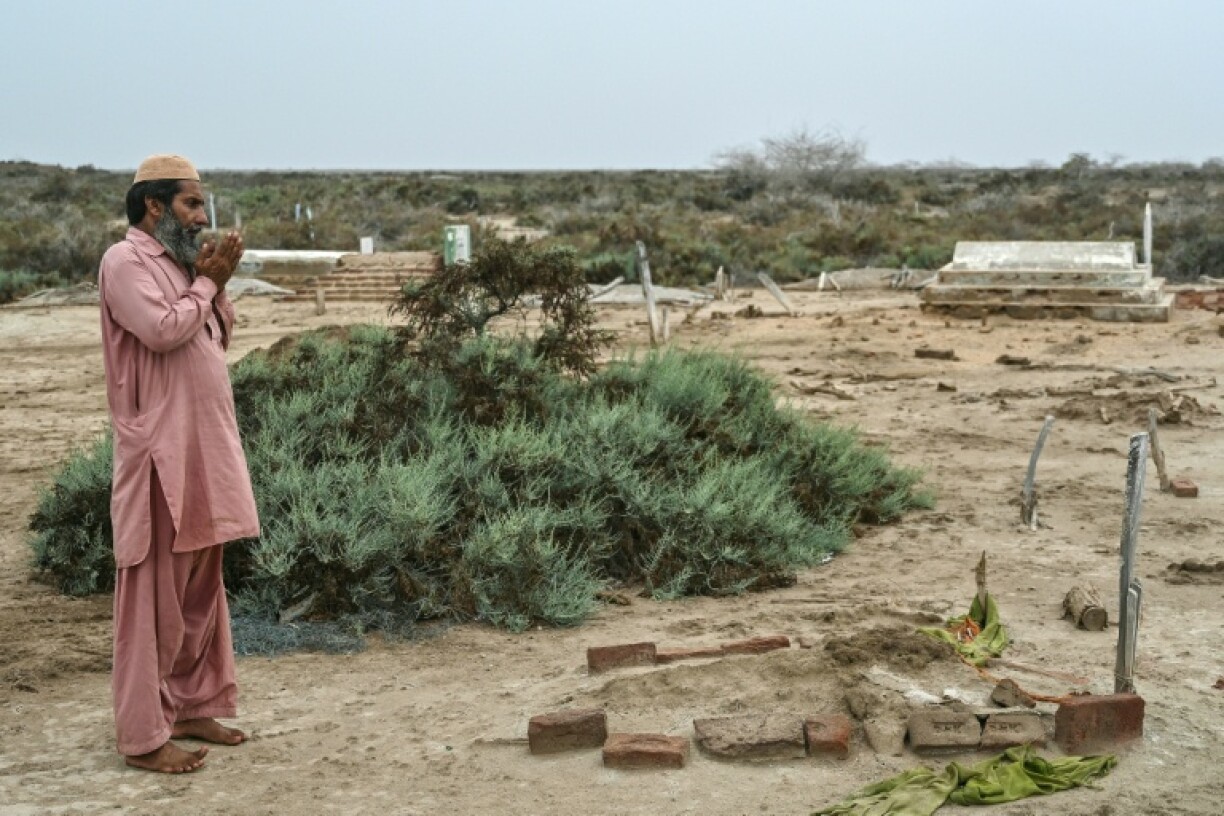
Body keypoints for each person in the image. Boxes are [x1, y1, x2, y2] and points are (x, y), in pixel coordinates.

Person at [97, 154, 260, 773]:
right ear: (155, 206)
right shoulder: (124, 262)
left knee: (199, 589)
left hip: (207, 452)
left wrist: (209, 279)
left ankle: (192, 705)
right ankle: (143, 737)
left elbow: (215, 336)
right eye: (192, 204)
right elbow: (163, 331)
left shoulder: (184, 265)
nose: (203, 215)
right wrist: (208, 282)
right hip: (160, 456)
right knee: (151, 599)